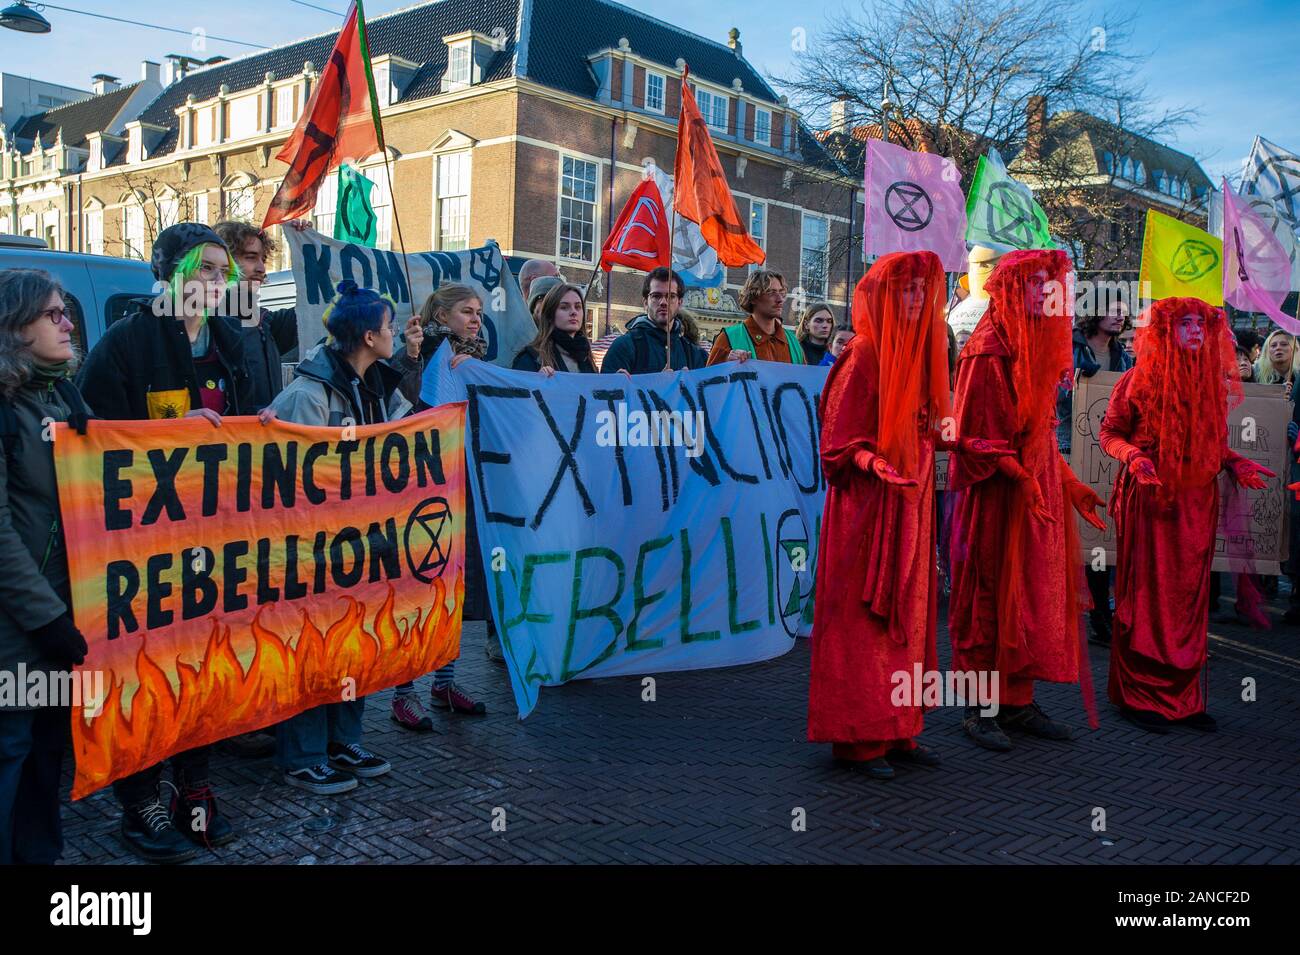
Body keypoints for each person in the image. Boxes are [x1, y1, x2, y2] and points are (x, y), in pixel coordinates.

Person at [77, 222, 259, 862]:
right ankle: (139, 802)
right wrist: (166, 435)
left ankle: (195, 788)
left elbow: (252, 426)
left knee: (204, 664)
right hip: (139, 549)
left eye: (222, 271)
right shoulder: (125, 345)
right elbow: (89, 437)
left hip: (210, 545)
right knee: (145, 671)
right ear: (170, 274)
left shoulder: (232, 344)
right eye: (204, 269)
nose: (215, 282)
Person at [807, 252, 1011, 779]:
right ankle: (859, 738)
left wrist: (967, 442)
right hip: (867, 510)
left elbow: (931, 428)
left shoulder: (924, 355)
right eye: (906, 289)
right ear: (884, 296)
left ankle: (899, 728)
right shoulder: (864, 354)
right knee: (864, 618)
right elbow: (835, 441)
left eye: (924, 289)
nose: (917, 298)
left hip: (913, 506)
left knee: (913, 618)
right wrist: (875, 462)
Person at [947, 249, 1105, 752]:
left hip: (1031, 496)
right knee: (989, 596)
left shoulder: (1034, 343)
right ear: (1013, 289)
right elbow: (973, 438)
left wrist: (1067, 482)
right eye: (1037, 283)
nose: (1048, 293)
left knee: (1028, 595)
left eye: (1051, 284)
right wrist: (1020, 476)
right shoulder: (987, 348)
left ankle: (1016, 700)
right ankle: (980, 707)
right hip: (997, 500)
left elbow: (1038, 434)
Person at [1099, 298, 1273, 732]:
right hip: (1152, 500)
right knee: (1147, 595)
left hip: (1196, 504)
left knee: (1189, 599)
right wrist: (1134, 456)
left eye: (1201, 323)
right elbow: (1110, 433)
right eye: (1185, 323)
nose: (1196, 329)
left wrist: (1235, 462)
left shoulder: (1209, 383)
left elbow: (1209, 443)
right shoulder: (1138, 379)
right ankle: (1138, 696)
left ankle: (1183, 699)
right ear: (1165, 331)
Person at [269, 281, 401, 788]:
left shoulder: (377, 387)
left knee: (352, 643)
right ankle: (302, 753)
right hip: (313, 550)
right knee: (311, 646)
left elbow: (416, 433)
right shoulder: (308, 395)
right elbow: (295, 480)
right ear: (369, 336)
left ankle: (343, 739)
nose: (392, 334)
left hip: (360, 543)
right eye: (388, 327)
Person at [0, 270, 91, 864]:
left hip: (61, 616)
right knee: (10, 747)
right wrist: (46, 617)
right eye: (51, 313)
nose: (67, 322)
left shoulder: (61, 398)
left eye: (66, 312)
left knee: (47, 749)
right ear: (13, 328)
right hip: (15, 627)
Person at [393, 282, 497, 709]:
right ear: (441, 317)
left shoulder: (480, 360)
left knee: (452, 587)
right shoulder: (425, 354)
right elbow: (405, 401)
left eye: (479, 311)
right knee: (420, 588)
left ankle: (444, 681)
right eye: (467, 311)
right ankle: (403, 691)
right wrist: (413, 356)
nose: (476, 318)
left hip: (464, 483)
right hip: (426, 486)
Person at [1058, 299, 1134, 648]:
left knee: (1102, 532)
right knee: (1077, 536)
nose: (1120, 316)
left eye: (1124, 311)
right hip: (1071, 447)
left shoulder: (1125, 357)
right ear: (1095, 311)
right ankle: (1087, 613)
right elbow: (1052, 395)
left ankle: (1102, 614)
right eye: (1113, 309)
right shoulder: (1068, 347)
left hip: (1108, 451)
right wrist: (1071, 385)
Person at [213, 219, 305, 411]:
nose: (262, 268)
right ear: (223, 261)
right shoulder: (204, 323)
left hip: (265, 438)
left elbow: (316, 307)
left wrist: (305, 244)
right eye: (251, 257)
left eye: (263, 259)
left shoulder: (265, 322)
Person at [600, 268, 708, 375]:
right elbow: (605, 389)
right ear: (645, 302)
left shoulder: (695, 354)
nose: (663, 302)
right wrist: (657, 385)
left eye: (671, 296)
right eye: (656, 296)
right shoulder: (624, 347)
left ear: (679, 303)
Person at [707, 269, 803, 365]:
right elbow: (708, 378)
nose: (780, 299)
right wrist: (727, 365)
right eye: (771, 292)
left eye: (781, 293)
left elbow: (804, 378)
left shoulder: (793, 341)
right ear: (753, 298)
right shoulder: (728, 338)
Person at [513, 283, 597, 374]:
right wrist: (536, 382)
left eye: (578, 307)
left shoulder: (585, 355)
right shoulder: (532, 358)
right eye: (564, 307)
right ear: (549, 315)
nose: (574, 312)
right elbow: (518, 387)